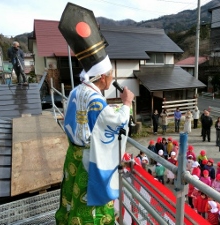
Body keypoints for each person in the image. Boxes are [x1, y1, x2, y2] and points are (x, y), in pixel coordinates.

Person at [55, 5, 135, 224]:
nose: (111, 79)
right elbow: (115, 121)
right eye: (110, 75)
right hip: (89, 160)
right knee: (90, 206)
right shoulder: (97, 100)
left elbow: (94, 119)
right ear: (102, 78)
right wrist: (126, 103)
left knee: (71, 195)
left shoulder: (75, 92)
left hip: (73, 154)